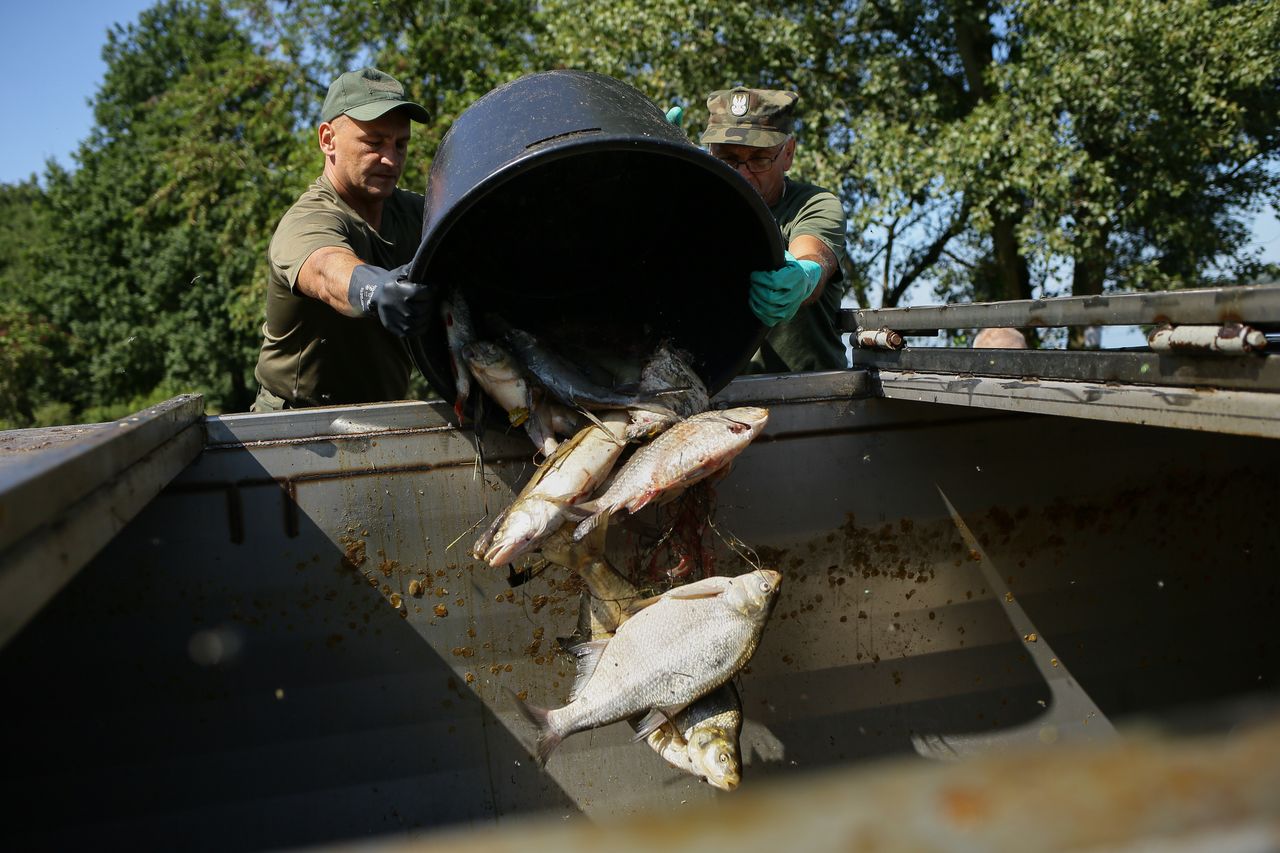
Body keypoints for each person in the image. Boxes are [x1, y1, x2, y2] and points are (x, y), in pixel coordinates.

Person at [251, 67, 434, 412]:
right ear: (327, 140)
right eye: (373, 142)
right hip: (293, 425)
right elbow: (325, 269)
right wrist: (376, 290)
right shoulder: (309, 218)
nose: (391, 159)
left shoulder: (415, 214)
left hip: (384, 415)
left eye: (401, 144)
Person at [700, 87, 850, 373]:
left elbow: (812, 255)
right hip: (716, 392)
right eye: (727, 159)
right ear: (710, 153)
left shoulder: (813, 204)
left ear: (788, 153)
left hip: (812, 396)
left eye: (759, 159)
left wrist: (805, 276)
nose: (742, 173)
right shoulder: (696, 209)